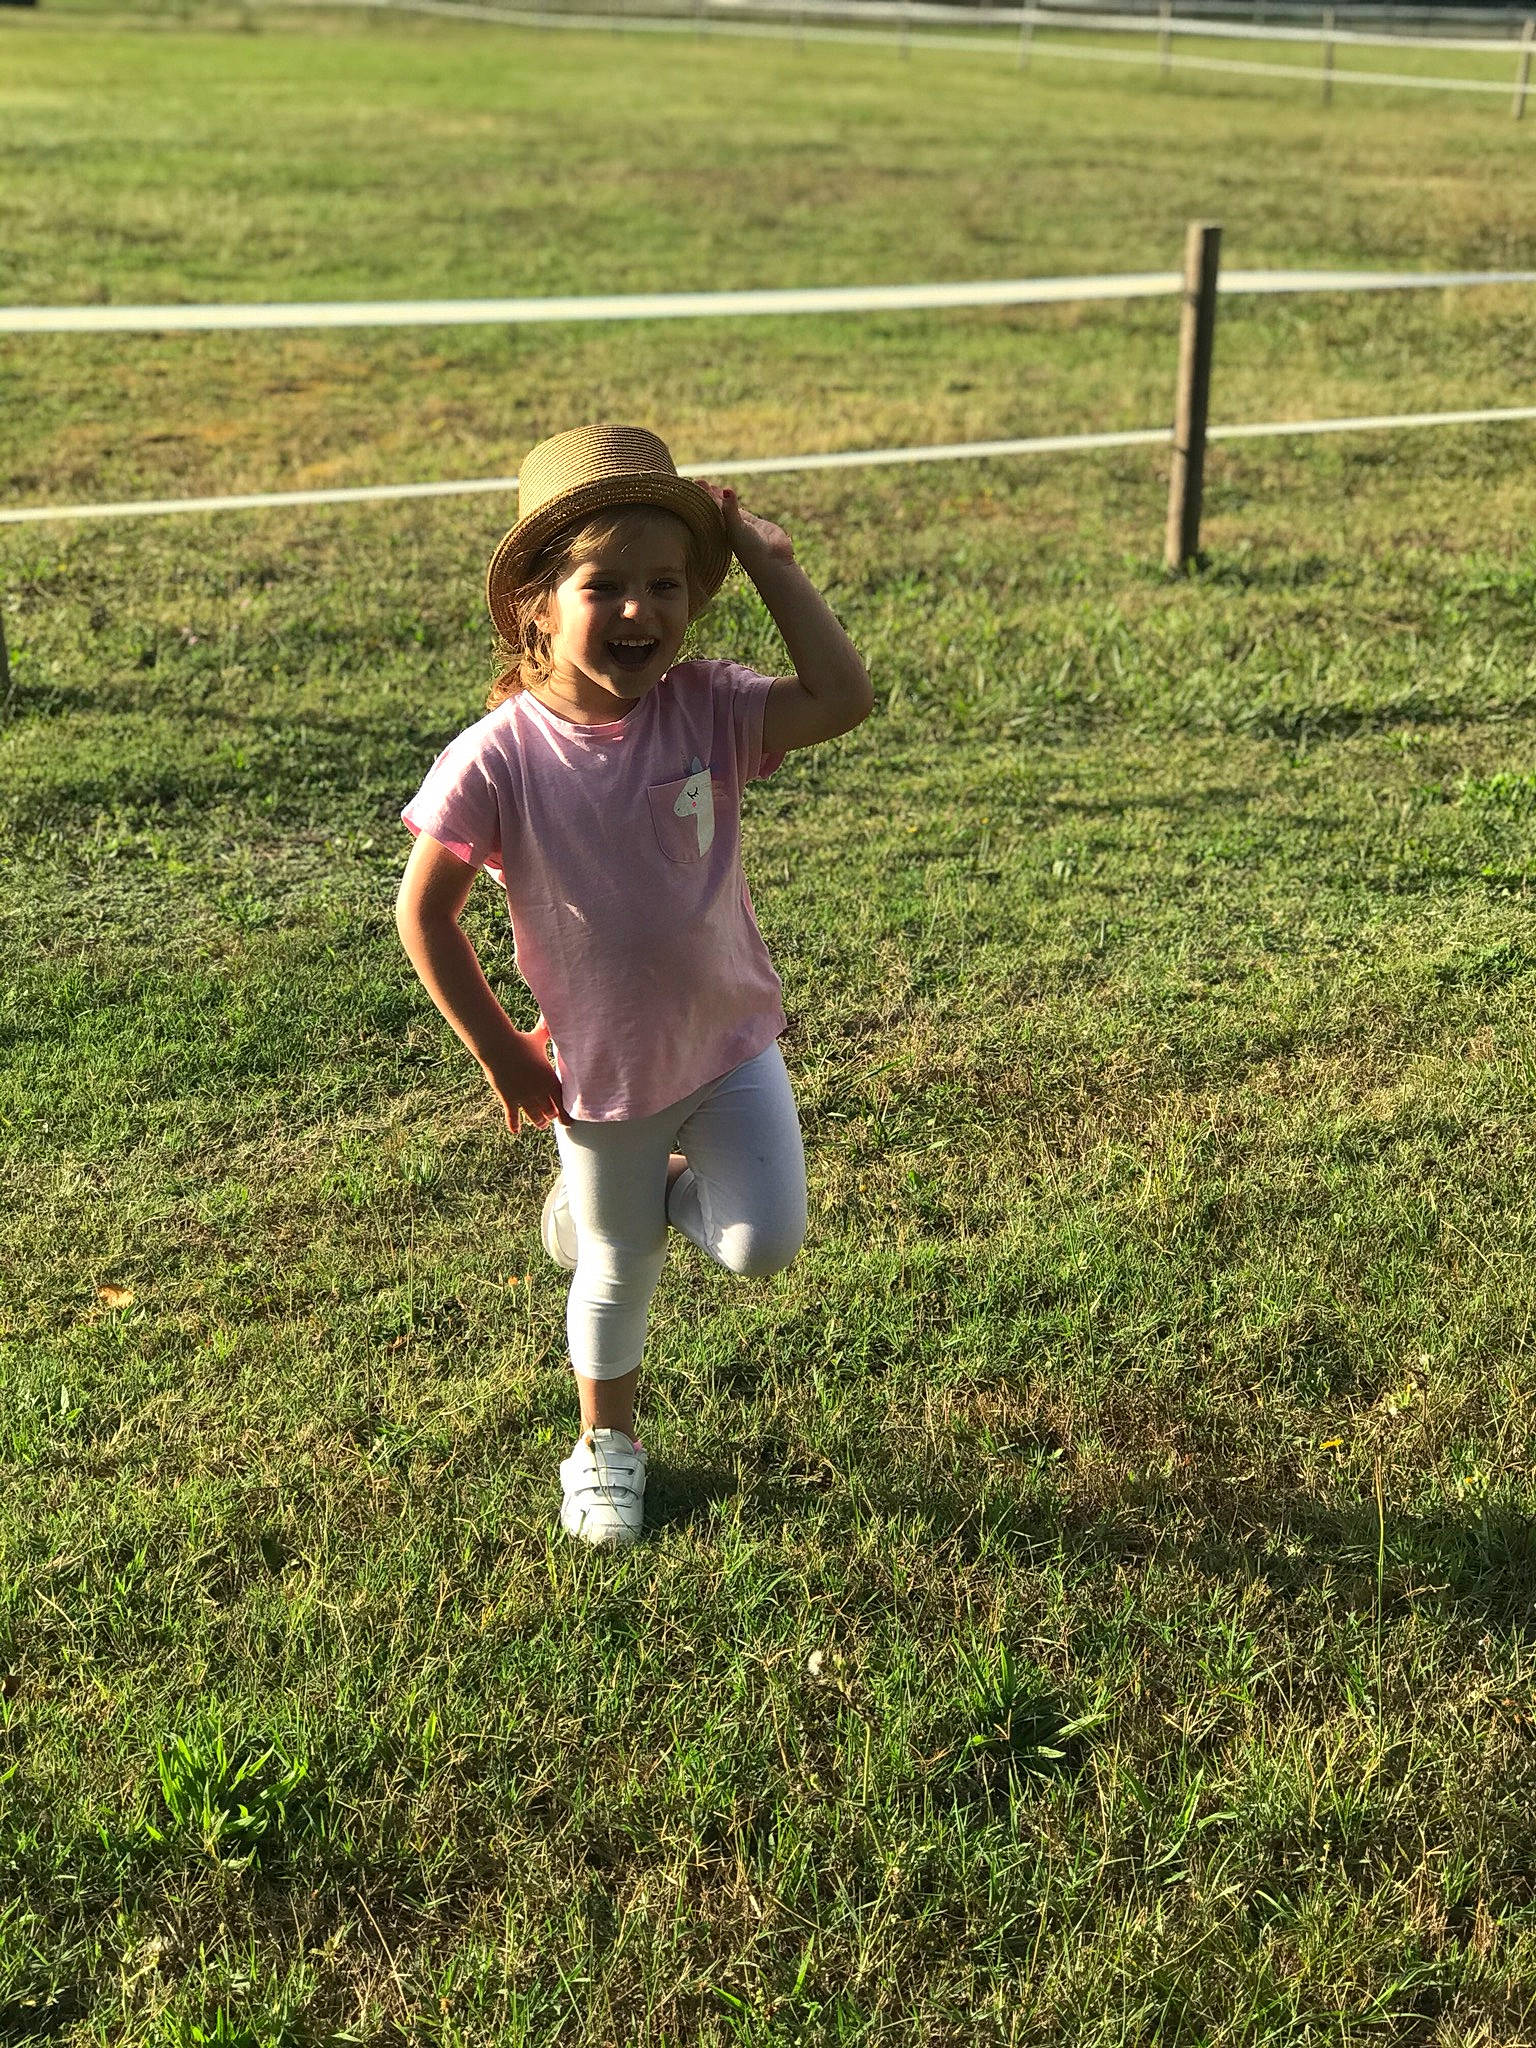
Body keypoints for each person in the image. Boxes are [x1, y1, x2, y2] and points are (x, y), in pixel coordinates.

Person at [395, 423, 873, 1549]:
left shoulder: (708, 706)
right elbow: (425, 912)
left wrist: (765, 556)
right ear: (537, 607)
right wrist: (504, 1051)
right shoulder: (499, 754)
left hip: (730, 1045)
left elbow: (843, 696)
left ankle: (648, 1193)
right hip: (601, 1077)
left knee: (763, 1245)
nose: (637, 610)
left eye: (665, 584)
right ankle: (607, 1447)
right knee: (616, 1271)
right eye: (602, 583)